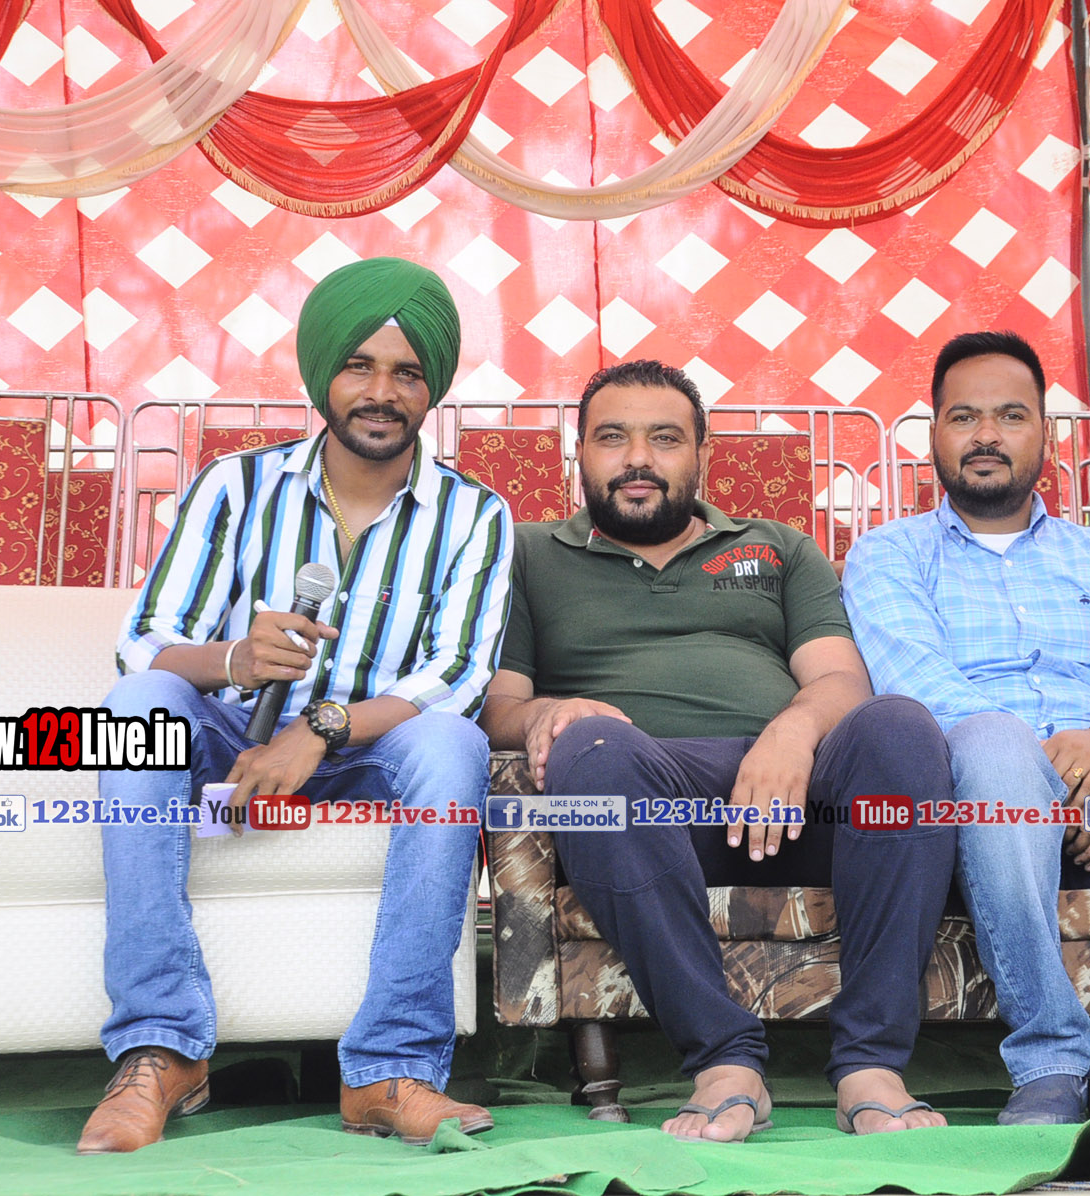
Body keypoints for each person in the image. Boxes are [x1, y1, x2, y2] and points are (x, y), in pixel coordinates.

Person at [79, 258, 513, 1154]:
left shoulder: (475, 513)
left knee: (453, 746)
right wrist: (235, 658)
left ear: (431, 388)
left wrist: (319, 730)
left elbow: (461, 674)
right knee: (137, 703)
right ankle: (162, 1048)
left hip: (368, 747)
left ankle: (389, 1069)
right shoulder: (235, 486)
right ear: (323, 375)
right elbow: (146, 643)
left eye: (407, 373)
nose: (382, 392)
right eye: (359, 366)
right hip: (233, 732)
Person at [480, 360, 956, 1141]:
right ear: (579, 454)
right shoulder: (528, 555)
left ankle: (871, 1065)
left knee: (900, 726)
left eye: (665, 438)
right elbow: (498, 706)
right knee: (591, 748)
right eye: (613, 438)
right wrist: (546, 712)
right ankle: (725, 1062)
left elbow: (840, 681)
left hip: (799, 798)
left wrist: (791, 734)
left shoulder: (777, 547)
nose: (638, 459)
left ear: (703, 454)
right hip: (641, 807)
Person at [840, 332, 1090, 1128]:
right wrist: (1054, 776)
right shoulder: (888, 555)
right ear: (933, 434)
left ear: (1047, 435)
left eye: (1010, 416)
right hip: (982, 802)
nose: (986, 435)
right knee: (991, 740)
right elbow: (920, 686)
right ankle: (1049, 1058)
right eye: (964, 417)